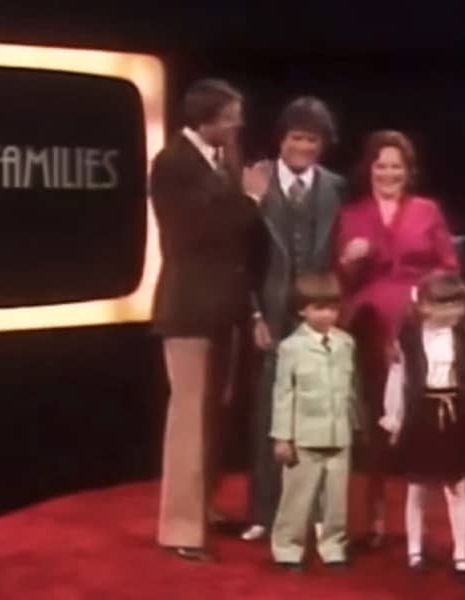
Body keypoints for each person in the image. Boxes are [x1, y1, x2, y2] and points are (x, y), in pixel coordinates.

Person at [150, 78, 271, 562]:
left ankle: (202, 506)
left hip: (224, 307)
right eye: (230, 115)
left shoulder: (224, 158)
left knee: (213, 414)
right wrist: (251, 198)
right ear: (206, 119)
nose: (238, 123)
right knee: (189, 416)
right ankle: (180, 529)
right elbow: (195, 231)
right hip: (189, 306)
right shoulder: (174, 163)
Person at [335, 130, 458, 548]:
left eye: (396, 167)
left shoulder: (428, 211)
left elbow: (449, 268)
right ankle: (373, 518)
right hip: (369, 327)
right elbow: (338, 281)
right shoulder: (352, 214)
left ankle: (419, 526)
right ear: (369, 169)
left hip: (418, 326)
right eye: (381, 165)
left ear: (408, 172)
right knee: (374, 424)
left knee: (419, 424)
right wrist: (348, 261)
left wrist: (423, 298)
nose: (388, 173)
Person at [241, 96, 348, 542]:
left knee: (319, 416)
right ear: (281, 139)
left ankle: (319, 513)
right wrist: (253, 314)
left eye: (312, 139)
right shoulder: (256, 182)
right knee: (271, 414)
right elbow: (239, 256)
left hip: (319, 315)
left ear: (322, 145)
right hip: (270, 313)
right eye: (296, 137)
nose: (303, 146)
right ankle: (265, 513)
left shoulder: (336, 187)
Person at [379, 271, 465, 581]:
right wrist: (395, 419)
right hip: (422, 415)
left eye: (459, 304)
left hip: (457, 416)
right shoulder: (409, 340)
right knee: (418, 488)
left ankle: (461, 554)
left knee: (458, 487)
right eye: (446, 304)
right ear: (425, 306)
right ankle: (415, 549)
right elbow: (397, 380)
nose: (454, 311)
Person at [269, 272, 359, 571]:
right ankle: (288, 548)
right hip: (304, 436)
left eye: (333, 308)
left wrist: (357, 425)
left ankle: (333, 546)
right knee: (297, 497)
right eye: (319, 308)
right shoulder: (291, 348)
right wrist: (282, 437)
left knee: (336, 500)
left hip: (339, 434)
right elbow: (283, 394)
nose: (327, 315)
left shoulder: (346, 343)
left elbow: (352, 390)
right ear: (302, 310)